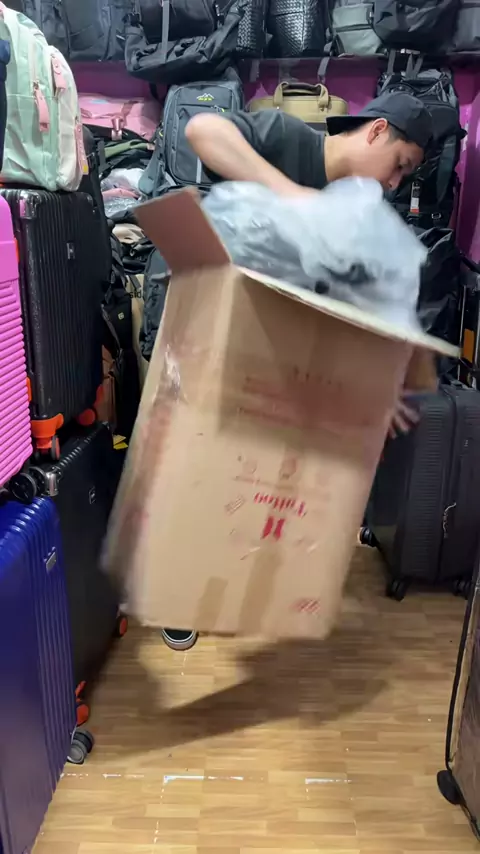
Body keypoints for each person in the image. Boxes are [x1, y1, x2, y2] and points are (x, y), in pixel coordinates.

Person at [186, 90, 435, 434]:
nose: (393, 183)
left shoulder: (357, 218)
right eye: (399, 165)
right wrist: (290, 194)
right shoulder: (287, 136)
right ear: (377, 131)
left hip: (263, 356)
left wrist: (376, 382)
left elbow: (359, 307)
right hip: (204, 328)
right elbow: (201, 129)